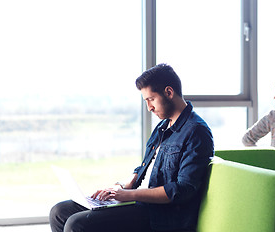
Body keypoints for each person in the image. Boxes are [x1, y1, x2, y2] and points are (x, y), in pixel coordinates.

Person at [49, 63, 214, 232]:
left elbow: (182, 189)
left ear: (169, 92)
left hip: (161, 215)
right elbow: (145, 168)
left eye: (151, 99)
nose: (149, 107)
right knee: (59, 212)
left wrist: (128, 195)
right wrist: (121, 187)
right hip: (139, 201)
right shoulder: (163, 127)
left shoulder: (197, 131)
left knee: (77, 224)